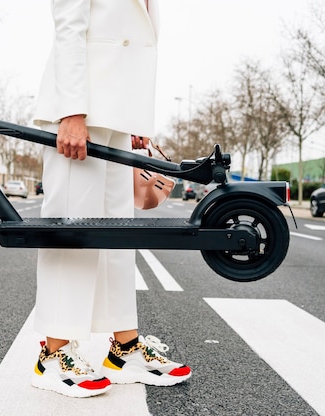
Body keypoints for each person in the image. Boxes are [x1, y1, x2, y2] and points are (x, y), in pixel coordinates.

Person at [30, 0, 191, 398]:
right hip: (81, 112)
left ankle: (123, 350)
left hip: (115, 114)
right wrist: (71, 111)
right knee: (73, 230)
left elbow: (133, 37)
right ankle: (53, 354)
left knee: (117, 238)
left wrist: (134, 117)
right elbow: (69, 26)